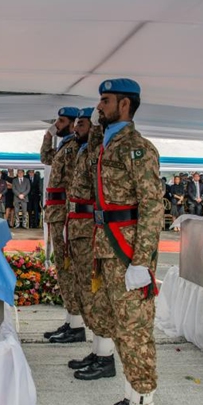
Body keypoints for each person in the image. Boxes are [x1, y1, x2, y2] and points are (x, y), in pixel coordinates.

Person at [91, 78, 161, 405]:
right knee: (121, 329)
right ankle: (131, 398)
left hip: (129, 251)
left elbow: (151, 205)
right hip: (110, 250)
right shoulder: (109, 142)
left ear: (124, 105)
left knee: (135, 332)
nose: (99, 106)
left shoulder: (137, 147)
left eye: (105, 100)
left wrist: (141, 261)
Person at [63, 107, 118, 379]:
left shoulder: (97, 149)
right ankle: (98, 351)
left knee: (94, 294)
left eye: (82, 124)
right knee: (85, 292)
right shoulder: (82, 151)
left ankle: (105, 357)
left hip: (88, 229)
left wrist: (96, 126)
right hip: (78, 227)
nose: (76, 128)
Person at [40, 106, 83, 341]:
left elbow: (73, 185)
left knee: (68, 268)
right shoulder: (64, 146)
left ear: (73, 123)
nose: (57, 124)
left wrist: (68, 216)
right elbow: (45, 158)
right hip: (58, 214)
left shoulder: (74, 148)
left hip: (65, 215)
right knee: (63, 269)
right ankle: (70, 320)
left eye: (61, 121)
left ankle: (76, 325)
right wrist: (48, 135)